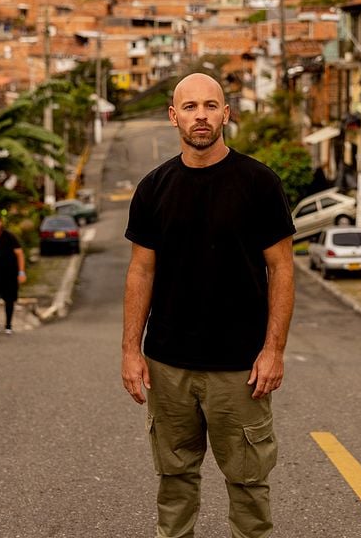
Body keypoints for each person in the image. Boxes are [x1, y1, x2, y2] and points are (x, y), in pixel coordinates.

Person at [122, 73, 295, 538]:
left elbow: (281, 268)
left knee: (248, 484)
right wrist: (130, 351)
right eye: (191, 107)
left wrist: (273, 350)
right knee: (174, 481)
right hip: (168, 365)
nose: (202, 115)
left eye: (211, 105)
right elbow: (141, 271)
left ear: (226, 113)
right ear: (173, 116)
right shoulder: (153, 188)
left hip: (240, 368)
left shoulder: (260, 183)